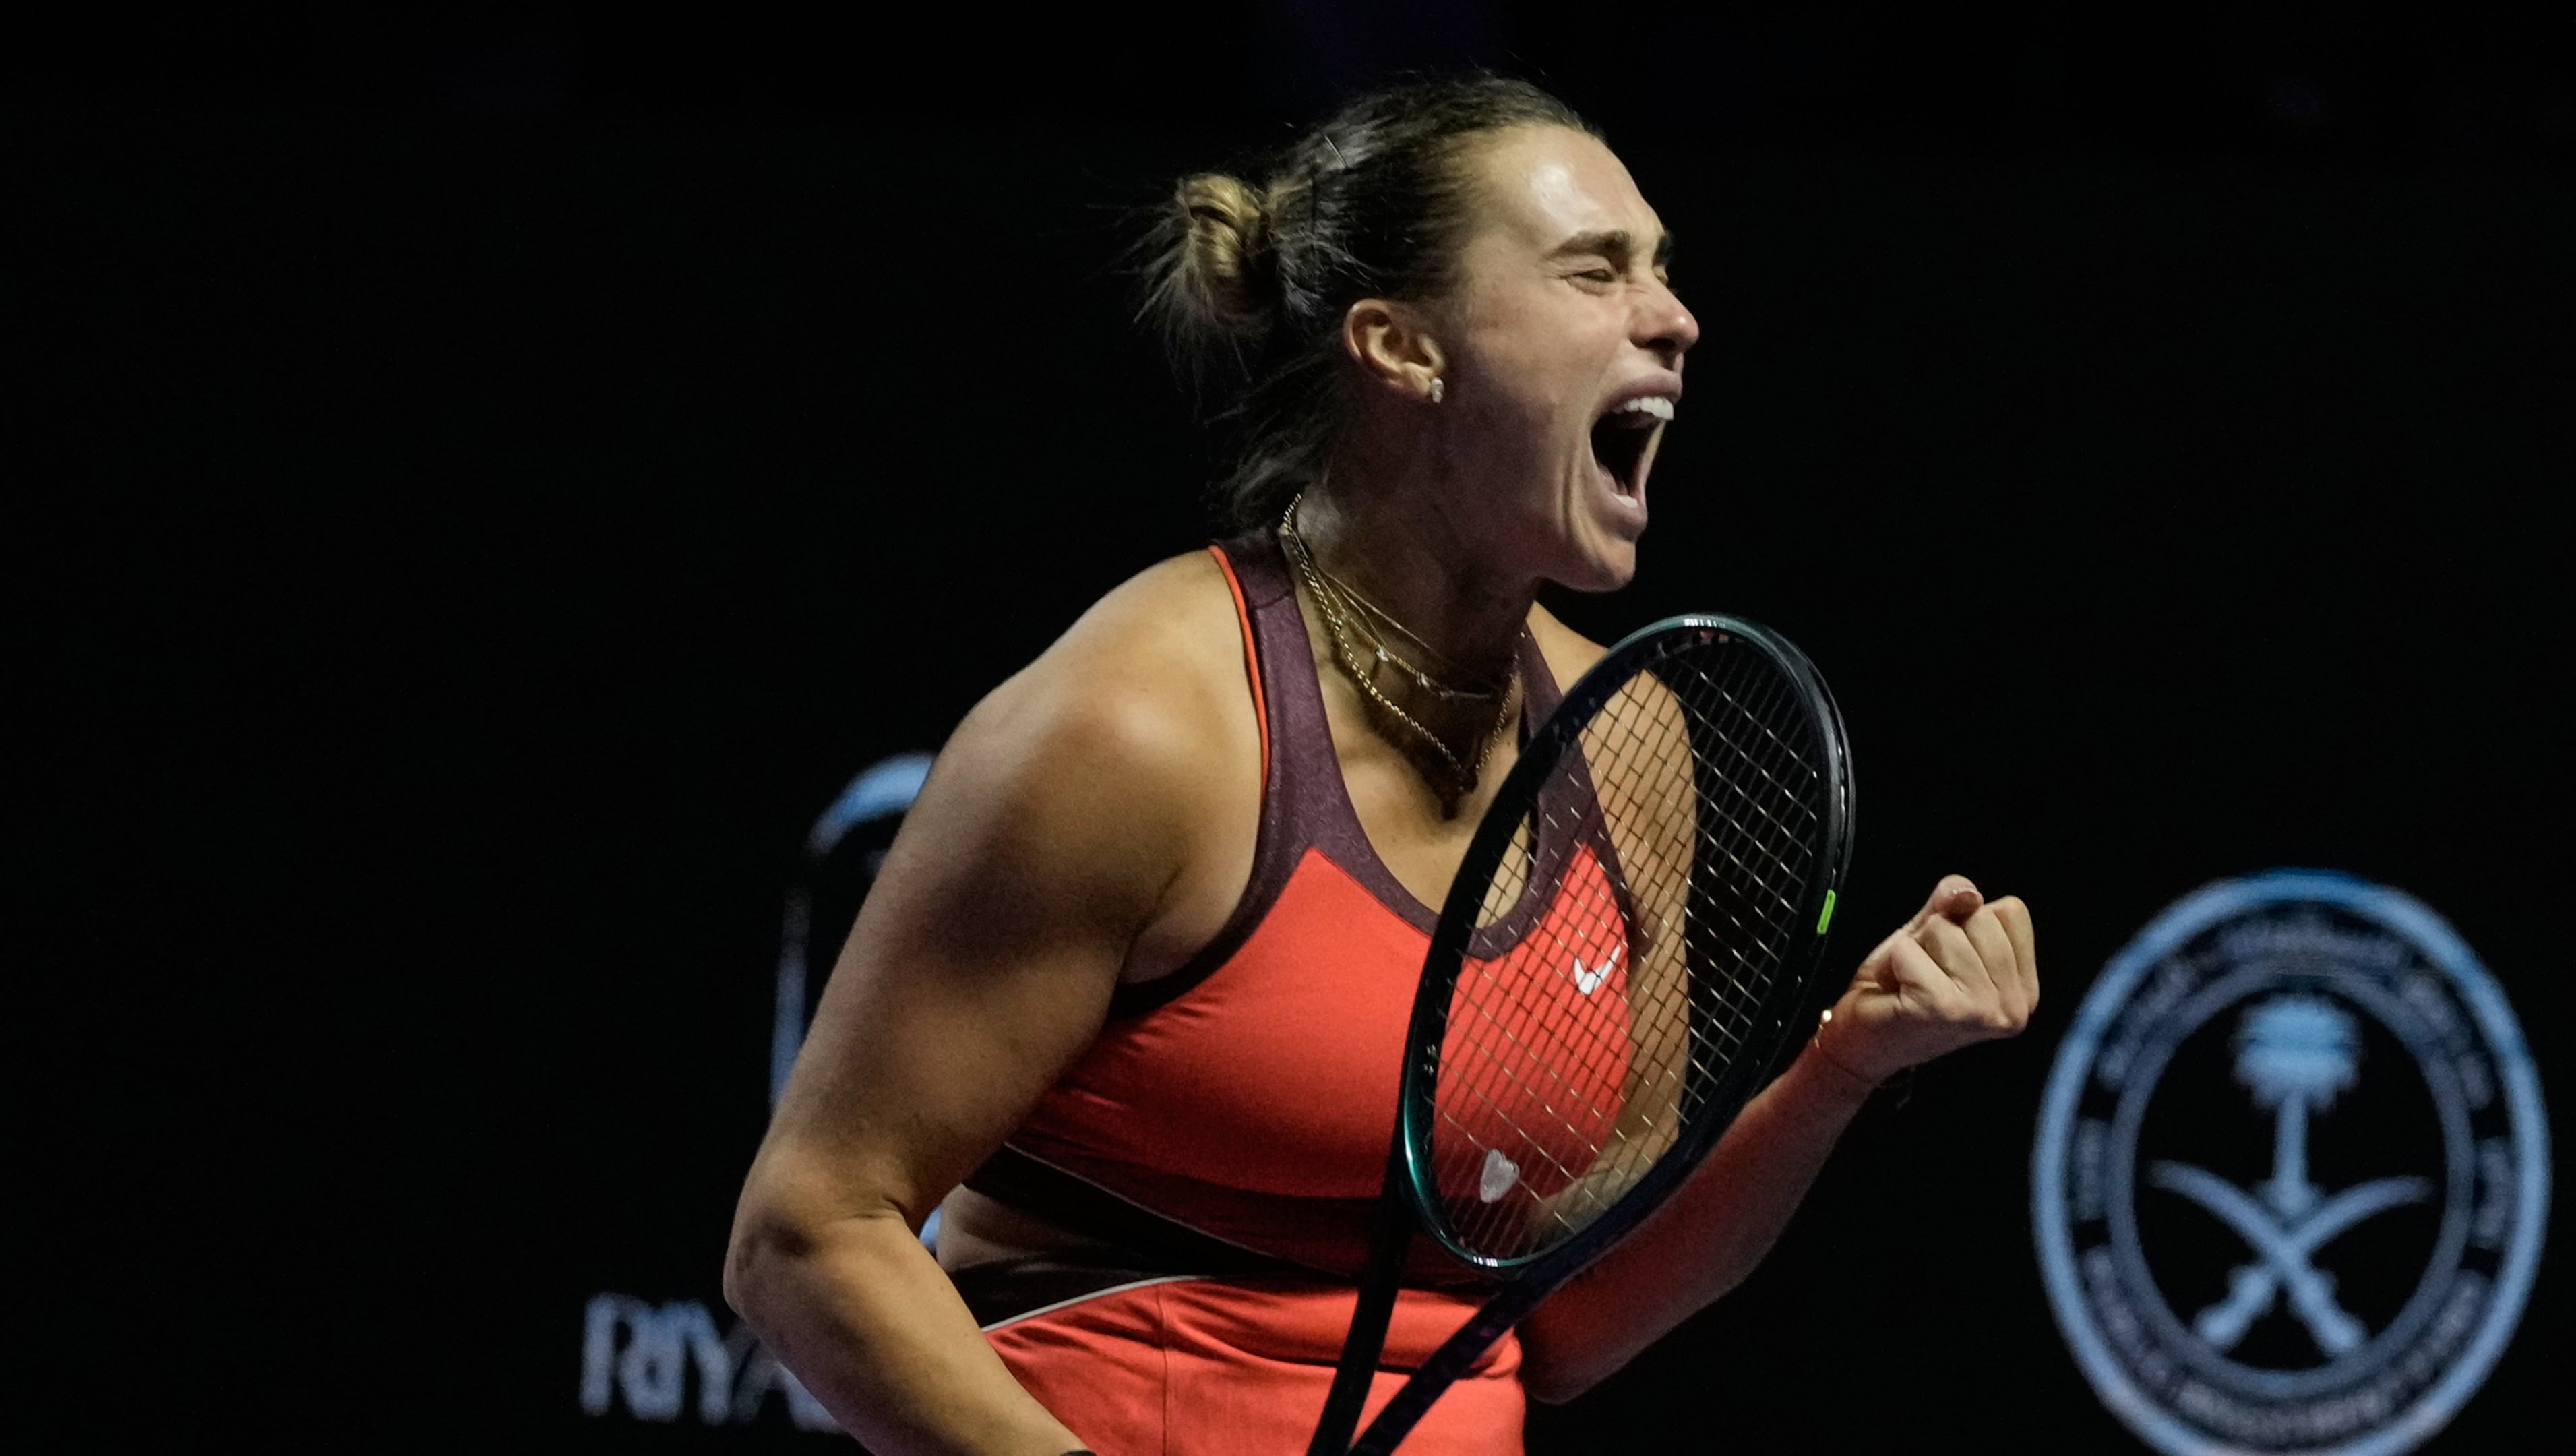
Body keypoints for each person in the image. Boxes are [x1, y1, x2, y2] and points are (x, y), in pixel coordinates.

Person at [725, 75, 2039, 1456]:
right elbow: (810, 1237)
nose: (1673, 316)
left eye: (1664, 269)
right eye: (1595, 272)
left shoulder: (1626, 738)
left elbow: (1563, 1322)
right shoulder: (1143, 730)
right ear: (1401, 348)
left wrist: (1841, 1067)